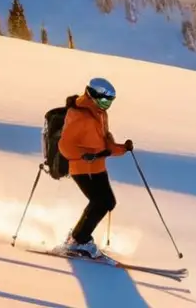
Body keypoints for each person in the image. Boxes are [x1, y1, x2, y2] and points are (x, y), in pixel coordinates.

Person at [57, 77, 133, 258]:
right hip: (82, 168)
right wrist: (84, 155)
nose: (107, 105)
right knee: (101, 202)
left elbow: (105, 142)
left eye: (110, 101)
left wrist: (122, 149)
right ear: (92, 94)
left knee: (108, 202)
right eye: (104, 100)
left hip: (98, 166)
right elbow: (65, 146)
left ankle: (77, 238)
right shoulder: (79, 114)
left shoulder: (100, 114)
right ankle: (78, 240)